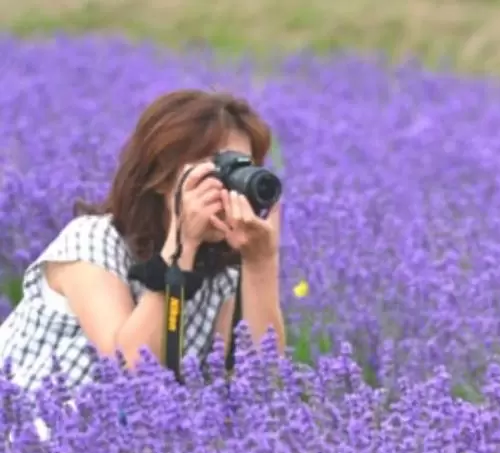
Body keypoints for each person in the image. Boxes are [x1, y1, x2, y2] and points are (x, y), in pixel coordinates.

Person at [0, 89, 286, 394]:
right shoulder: (92, 241)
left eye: (244, 169)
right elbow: (132, 371)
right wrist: (180, 249)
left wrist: (261, 263)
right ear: (162, 177)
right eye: (220, 168)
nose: (232, 187)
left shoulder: (222, 268)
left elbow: (263, 382)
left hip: (130, 438)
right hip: (27, 431)